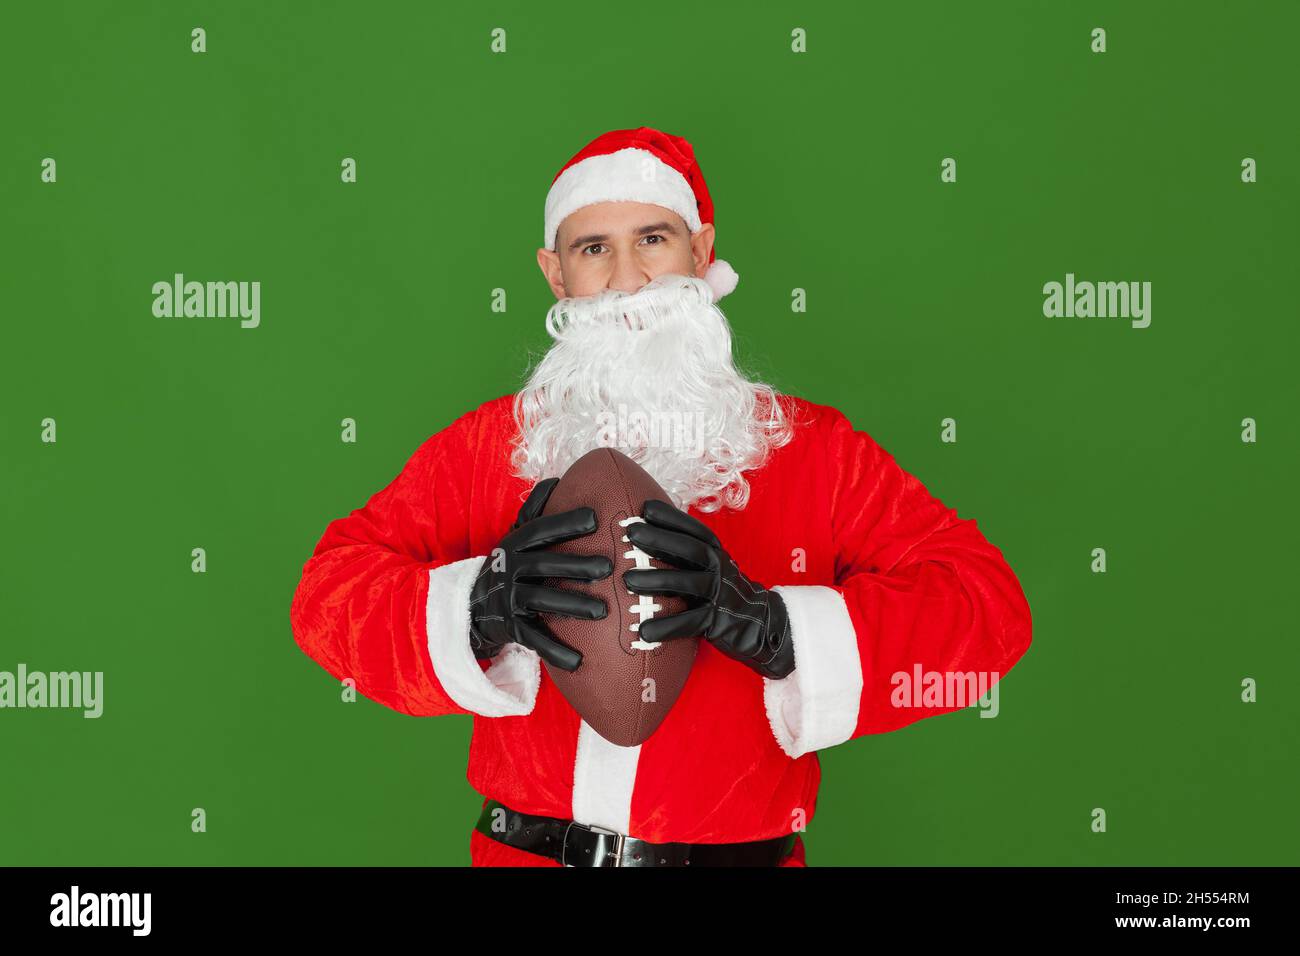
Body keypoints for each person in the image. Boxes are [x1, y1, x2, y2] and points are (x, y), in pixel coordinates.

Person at [289, 126, 1033, 867]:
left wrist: (778, 628)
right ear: (555, 275)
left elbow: (987, 607)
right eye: (592, 249)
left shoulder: (812, 448)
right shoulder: (495, 446)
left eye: (653, 238)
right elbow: (328, 595)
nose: (626, 278)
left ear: (701, 252)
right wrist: (478, 610)